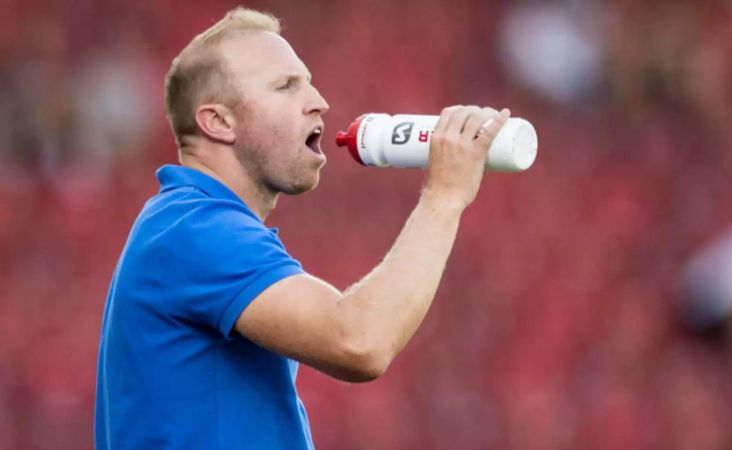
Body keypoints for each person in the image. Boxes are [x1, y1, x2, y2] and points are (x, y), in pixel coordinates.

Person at [93, 7, 510, 450]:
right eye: (286, 86)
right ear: (218, 122)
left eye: (307, 81)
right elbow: (360, 341)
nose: (319, 101)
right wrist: (444, 196)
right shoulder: (196, 229)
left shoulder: (190, 225)